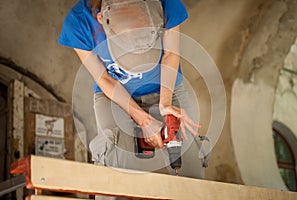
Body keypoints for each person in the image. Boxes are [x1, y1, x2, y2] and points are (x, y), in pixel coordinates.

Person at [59, 0, 205, 198]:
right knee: (115, 162)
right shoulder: (78, 22)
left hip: (165, 85)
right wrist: (143, 119)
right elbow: (103, 78)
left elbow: (170, 54)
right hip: (114, 93)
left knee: (191, 164)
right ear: (102, 19)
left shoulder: (167, 4)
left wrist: (165, 104)